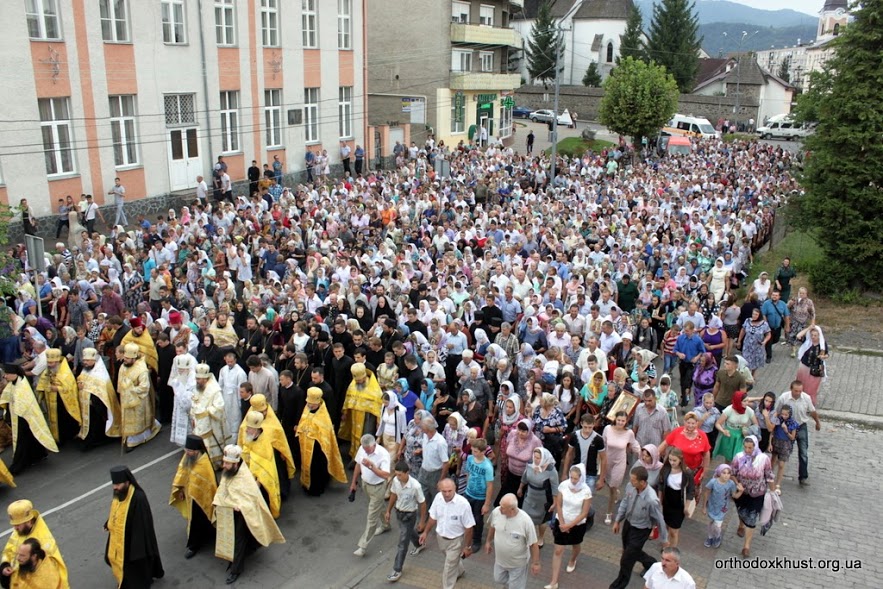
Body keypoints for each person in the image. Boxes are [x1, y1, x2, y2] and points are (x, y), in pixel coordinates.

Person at [212, 445, 285, 585]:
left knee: (238, 540)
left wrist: (239, 506)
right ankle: (252, 546)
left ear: (236, 463)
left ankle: (236, 570)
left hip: (243, 514)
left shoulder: (245, 477)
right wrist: (221, 501)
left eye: (227, 463)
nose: (224, 465)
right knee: (239, 537)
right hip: (228, 511)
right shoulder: (228, 472)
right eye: (224, 462)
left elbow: (250, 499)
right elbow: (223, 489)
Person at [105, 466, 164, 589]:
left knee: (136, 565)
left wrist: (135, 546)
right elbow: (116, 510)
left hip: (136, 540)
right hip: (120, 537)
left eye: (118, 484)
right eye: (114, 484)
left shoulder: (138, 497)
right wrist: (109, 523)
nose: (115, 487)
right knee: (112, 558)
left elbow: (142, 523)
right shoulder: (119, 493)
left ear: (127, 482)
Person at [609, 466, 667, 589]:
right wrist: (618, 520)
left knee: (626, 560)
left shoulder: (652, 499)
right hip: (628, 524)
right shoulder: (631, 487)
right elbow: (625, 502)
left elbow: (660, 519)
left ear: (642, 482)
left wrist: (664, 539)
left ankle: (617, 586)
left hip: (641, 530)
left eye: (633, 480)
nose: (630, 482)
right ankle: (651, 564)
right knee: (630, 551)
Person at [0, 363, 58, 475]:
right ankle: (39, 454)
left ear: (14, 374)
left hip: (24, 417)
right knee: (30, 438)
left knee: (21, 442)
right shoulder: (14, 383)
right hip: (20, 416)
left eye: (7, 374)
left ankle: (17, 466)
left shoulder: (22, 386)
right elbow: (7, 395)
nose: (5, 376)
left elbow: (23, 403)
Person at [418, 478, 475, 589]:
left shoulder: (463, 504)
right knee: (451, 561)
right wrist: (425, 533)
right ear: (440, 490)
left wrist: (467, 547)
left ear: (455, 489)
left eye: (450, 491)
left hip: (456, 541)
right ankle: (460, 570)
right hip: (441, 539)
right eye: (444, 491)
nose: (447, 494)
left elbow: (469, 527)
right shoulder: (438, 498)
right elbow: (432, 518)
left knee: (448, 569)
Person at [169, 435, 218, 559]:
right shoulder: (188, 458)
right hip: (191, 497)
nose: (187, 453)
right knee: (195, 523)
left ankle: (202, 541)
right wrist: (180, 489)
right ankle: (194, 545)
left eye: (189, 451)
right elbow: (182, 473)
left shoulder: (204, 463)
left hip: (202, 499)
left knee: (204, 520)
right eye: (186, 450)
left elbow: (210, 484)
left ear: (197, 451)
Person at [1, 500, 68, 588]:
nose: (15, 528)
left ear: (29, 522)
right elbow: (8, 551)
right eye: (14, 524)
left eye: (18, 525)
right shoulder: (19, 531)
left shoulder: (43, 542)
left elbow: (47, 577)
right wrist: (5, 566)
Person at [546, 464, 592, 589]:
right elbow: (559, 505)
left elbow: (584, 513)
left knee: (575, 546)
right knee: (558, 550)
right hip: (561, 523)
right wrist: (561, 523)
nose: (572, 480)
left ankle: (573, 559)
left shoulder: (586, 491)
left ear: (581, 478)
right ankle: (554, 581)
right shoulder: (564, 485)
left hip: (577, 525)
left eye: (575, 478)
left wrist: (569, 525)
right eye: (571, 477)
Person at [296, 387, 347, 496]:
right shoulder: (307, 409)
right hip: (306, 444)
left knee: (316, 469)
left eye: (312, 404)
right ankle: (306, 483)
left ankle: (316, 488)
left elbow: (325, 434)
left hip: (317, 449)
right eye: (309, 403)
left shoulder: (323, 416)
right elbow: (303, 421)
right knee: (306, 465)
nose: (310, 406)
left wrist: (314, 435)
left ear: (318, 403)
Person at [730, 435, 774, 557]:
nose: (748, 450)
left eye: (750, 447)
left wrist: (773, 492)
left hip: (757, 493)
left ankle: (746, 546)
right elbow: (732, 473)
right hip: (742, 492)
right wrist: (737, 483)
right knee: (742, 512)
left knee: (751, 518)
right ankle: (740, 524)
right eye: (745, 447)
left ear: (755, 446)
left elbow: (769, 476)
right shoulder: (739, 457)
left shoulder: (764, 459)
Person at [383, 460, 428, 583]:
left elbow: (423, 504)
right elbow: (393, 495)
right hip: (399, 513)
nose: (397, 477)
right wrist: (388, 511)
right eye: (396, 474)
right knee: (407, 533)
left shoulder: (416, 486)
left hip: (410, 515)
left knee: (402, 543)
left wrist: (422, 521)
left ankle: (397, 570)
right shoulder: (396, 481)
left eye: (400, 474)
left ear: (407, 473)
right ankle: (419, 544)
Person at [485, 493, 541, 589]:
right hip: (500, 560)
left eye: (503, 507)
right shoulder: (496, 512)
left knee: (515, 587)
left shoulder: (525, 521)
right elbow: (492, 526)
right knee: (498, 579)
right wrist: (488, 541)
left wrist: (535, 563)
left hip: (518, 564)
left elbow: (533, 544)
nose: (499, 509)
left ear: (512, 509)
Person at [351, 434, 392, 557]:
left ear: (374, 445)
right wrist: (353, 482)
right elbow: (358, 464)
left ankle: (363, 546)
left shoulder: (383, 454)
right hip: (365, 485)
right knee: (379, 506)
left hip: (378, 487)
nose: (366, 452)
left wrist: (372, 467)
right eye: (364, 449)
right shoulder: (363, 449)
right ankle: (386, 524)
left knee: (371, 517)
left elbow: (386, 475)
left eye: (368, 450)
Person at [773, 380, 821, 487]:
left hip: (801, 426)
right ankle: (772, 473)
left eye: (800, 391)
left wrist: (817, 422)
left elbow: (812, 411)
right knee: (780, 451)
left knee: (803, 452)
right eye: (796, 391)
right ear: (791, 389)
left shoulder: (806, 398)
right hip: (787, 427)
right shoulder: (784, 398)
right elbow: (777, 411)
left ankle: (803, 477)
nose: (798, 393)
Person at [118, 343, 162, 452]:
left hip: (138, 400)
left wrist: (130, 390)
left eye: (128, 358)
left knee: (137, 421)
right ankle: (154, 427)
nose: (125, 359)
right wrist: (122, 390)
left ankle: (133, 441)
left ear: (134, 358)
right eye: (125, 357)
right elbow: (120, 380)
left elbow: (144, 387)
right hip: (126, 398)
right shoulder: (123, 366)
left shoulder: (141, 370)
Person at [240, 411, 284, 518]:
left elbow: (265, 469)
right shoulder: (250, 437)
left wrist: (257, 483)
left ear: (256, 430)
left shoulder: (264, 445)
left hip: (261, 482)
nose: (246, 430)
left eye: (249, 428)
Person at [77, 347, 122, 449]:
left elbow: (102, 391)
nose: (85, 362)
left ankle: (96, 440)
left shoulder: (100, 373)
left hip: (96, 404)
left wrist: (93, 401)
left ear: (94, 360)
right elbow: (81, 379)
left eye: (88, 360)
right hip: (86, 403)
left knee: (96, 423)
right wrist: (79, 384)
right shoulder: (85, 369)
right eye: (84, 360)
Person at [35, 349, 81, 444]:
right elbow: (42, 383)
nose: (49, 365)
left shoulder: (65, 372)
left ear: (57, 362)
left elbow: (70, 387)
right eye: (48, 362)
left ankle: (70, 435)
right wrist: (44, 388)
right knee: (56, 420)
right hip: (51, 400)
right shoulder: (47, 371)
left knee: (65, 419)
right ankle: (59, 437)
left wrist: (58, 388)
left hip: (63, 402)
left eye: (51, 363)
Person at [602, 411, 639, 525]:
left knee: (613, 486)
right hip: (608, 460)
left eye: (623, 421)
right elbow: (603, 443)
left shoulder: (629, 433)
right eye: (619, 420)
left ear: (626, 421)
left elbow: (634, 445)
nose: (620, 422)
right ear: (615, 419)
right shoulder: (608, 429)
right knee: (609, 483)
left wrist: (642, 454)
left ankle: (609, 512)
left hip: (620, 462)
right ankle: (615, 492)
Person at [340, 363, 384, 460]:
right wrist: (345, 413)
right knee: (354, 436)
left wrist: (378, 421)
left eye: (360, 380)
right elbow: (348, 398)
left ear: (364, 377)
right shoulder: (353, 384)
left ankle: (366, 458)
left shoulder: (373, 387)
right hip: (355, 415)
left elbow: (378, 404)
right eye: (356, 380)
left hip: (367, 417)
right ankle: (354, 456)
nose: (358, 382)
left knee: (365, 436)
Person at [517, 448, 558, 548]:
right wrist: (520, 488)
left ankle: (540, 537)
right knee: (526, 517)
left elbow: (555, 487)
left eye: (538, 458)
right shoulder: (530, 464)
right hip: (530, 495)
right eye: (534, 457)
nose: (536, 460)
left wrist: (555, 503)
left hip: (543, 499)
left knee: (542, 520)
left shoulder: (550, 470)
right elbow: (525, 477)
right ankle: (527, 536)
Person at [656, 448, 695, 549]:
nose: (672, 462)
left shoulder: (687, 473)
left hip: (679, 503)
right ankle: (667, 543)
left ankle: (671, 550)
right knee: (666, 526)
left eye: (674, 460)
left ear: (680, 460)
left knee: (674, 531)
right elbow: (660, 484)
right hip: (667, 501)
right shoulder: (665, 469)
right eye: (670, 460)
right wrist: (660, 501)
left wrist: (686, 507)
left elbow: (691, 491)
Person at [191, 364, 229, 467]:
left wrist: (206, 411)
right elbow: (194, 401)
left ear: (205, 378)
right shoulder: (198, 387)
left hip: (212, 422)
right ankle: (204, 462)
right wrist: (194, 414)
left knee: (213, 444)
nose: (197, 381)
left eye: (199, 379)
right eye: (197, 378)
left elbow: (219, 407)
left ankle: (216, 463)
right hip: (200, 421)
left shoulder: (214, 390)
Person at [462, 437, 494, 552]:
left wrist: (486, 503)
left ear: (482, 451)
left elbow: (490, 485)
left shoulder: (487, 466)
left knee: (478, 519)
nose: (473, 453)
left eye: (475, 451)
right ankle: (467, 534)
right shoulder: (470, 459)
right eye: (472, 450)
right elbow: (468, 473)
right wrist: (467, 487)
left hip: (480, 497)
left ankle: (477, 540)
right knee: (466, 515)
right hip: (469, 493)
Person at [701, 463, 742, 549]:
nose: (726, 475)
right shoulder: (713, 482)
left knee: (717, 525)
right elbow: (706, 493)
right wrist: (704, 506)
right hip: (712, 506)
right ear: (719, 473)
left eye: (728, 473)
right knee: (712, 523)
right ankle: (710, 537)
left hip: (722, 508)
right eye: (724, 473)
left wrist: (740, 491)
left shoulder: (731, 484)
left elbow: (734, 495)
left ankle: (717, 537)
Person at [713, 391, 759, 462]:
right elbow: (718, 423)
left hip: (741, 436)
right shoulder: (729, 410)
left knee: (738, 459)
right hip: (729, 436)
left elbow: (756, 425)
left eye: (747, 400)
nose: (747, 403)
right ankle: (728, 472)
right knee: (728, 459)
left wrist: (748, 429)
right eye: (744, 401)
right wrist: (723, 431)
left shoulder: (749, 411)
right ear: (738, 401)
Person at [218, 350, 248, 437]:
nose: (229, 363)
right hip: (225, 396)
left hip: (235, 397)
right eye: (228, 361)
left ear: (235, 360)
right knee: (226, 416)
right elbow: (220, 384)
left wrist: (240, 401)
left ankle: (235, 437)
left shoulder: (240, 372)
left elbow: (242, 387)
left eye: (231, 361)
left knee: (235, 417)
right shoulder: (223, 370)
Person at [795, 325, 828, 404]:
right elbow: (798, 336)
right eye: (812, 335)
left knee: (812, 388)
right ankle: (799, 401)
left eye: (815, 335)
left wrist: (823, 356)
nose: (813, 337)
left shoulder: (822, 344)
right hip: (804, 367)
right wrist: (809, 328)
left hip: (816, 368)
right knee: (801, 385)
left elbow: (827, 354)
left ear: (819, 335)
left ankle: (809, 404)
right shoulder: (807, 341)